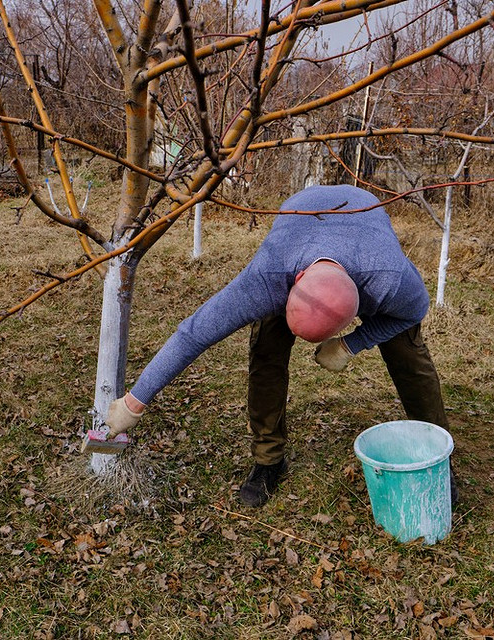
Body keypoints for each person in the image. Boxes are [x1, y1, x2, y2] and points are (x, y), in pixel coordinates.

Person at [104, 184, 455, 508]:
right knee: (266, 351)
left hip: (362, 218)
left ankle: (437, 455)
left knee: (409, 354)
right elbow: (194, 333)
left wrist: (352, 343)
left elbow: (416, 310)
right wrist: (135, 401)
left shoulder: (390, 280)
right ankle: (268, 458)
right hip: (300, 220)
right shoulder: (266, 280)